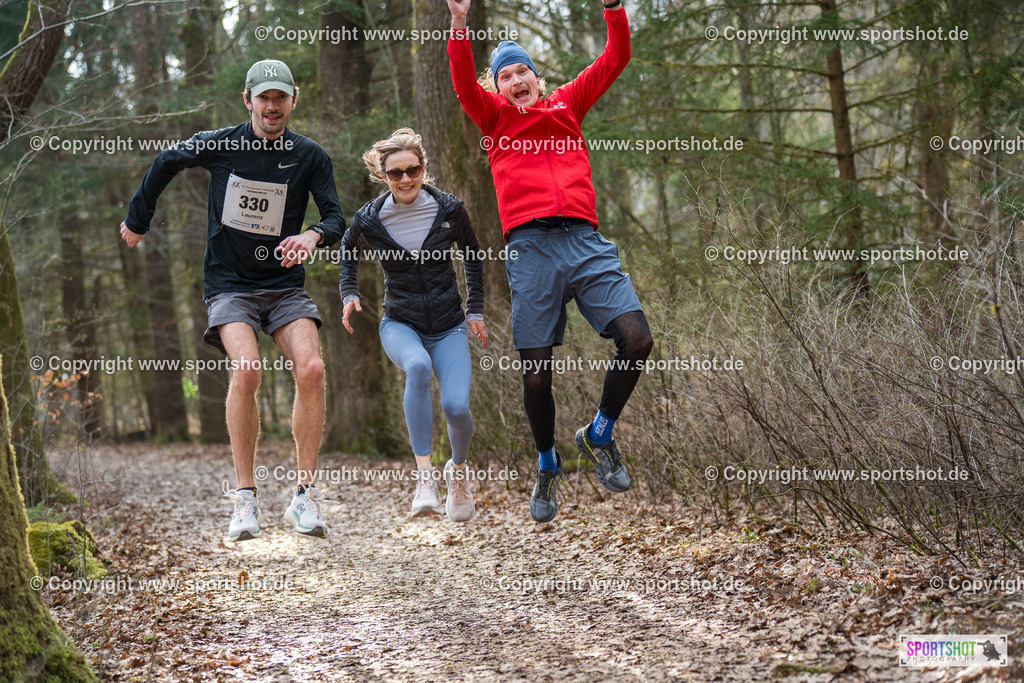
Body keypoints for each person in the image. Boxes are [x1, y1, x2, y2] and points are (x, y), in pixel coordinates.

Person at [119, 59, 345, 541]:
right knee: (247, 369)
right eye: (263, 97)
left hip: (285, 287)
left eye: (280, 97)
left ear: (292, 100)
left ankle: (304, 497)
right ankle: (245, 499)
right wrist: (139, 219)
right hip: (230, 286)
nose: (271, 106)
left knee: (312, 369)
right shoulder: (221, 143)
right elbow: (166, 162)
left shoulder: (309, 156)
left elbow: (335, 219)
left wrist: (311, 237)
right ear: (248, 100)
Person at [446, 0, 654, 522]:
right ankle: (547, 462)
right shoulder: (492, 117)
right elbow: (463, 86)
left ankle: (599, 433)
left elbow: (616, 55)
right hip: (532, 249)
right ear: (498, 88)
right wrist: (457, 25)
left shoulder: (568, 105)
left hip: (585, 241)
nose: (516, 80)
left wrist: (612, 7)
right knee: (536, 374)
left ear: (538, 80)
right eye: (506, 75)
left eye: (523, 72)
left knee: (638, 339)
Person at [339, 128, 487, 522]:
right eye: (395, 173)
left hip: (450, 324)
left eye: (412, 170)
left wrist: (475, 310)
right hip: (399, 323)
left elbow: (474, 257)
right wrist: (348, 292)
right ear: (382, 176)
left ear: (423, 169)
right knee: (418, 367)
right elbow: (347, 251)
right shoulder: (370, 218)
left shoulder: (449, 210)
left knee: (456, 406)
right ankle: (425, 479)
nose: (405, 179)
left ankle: (457, 473)